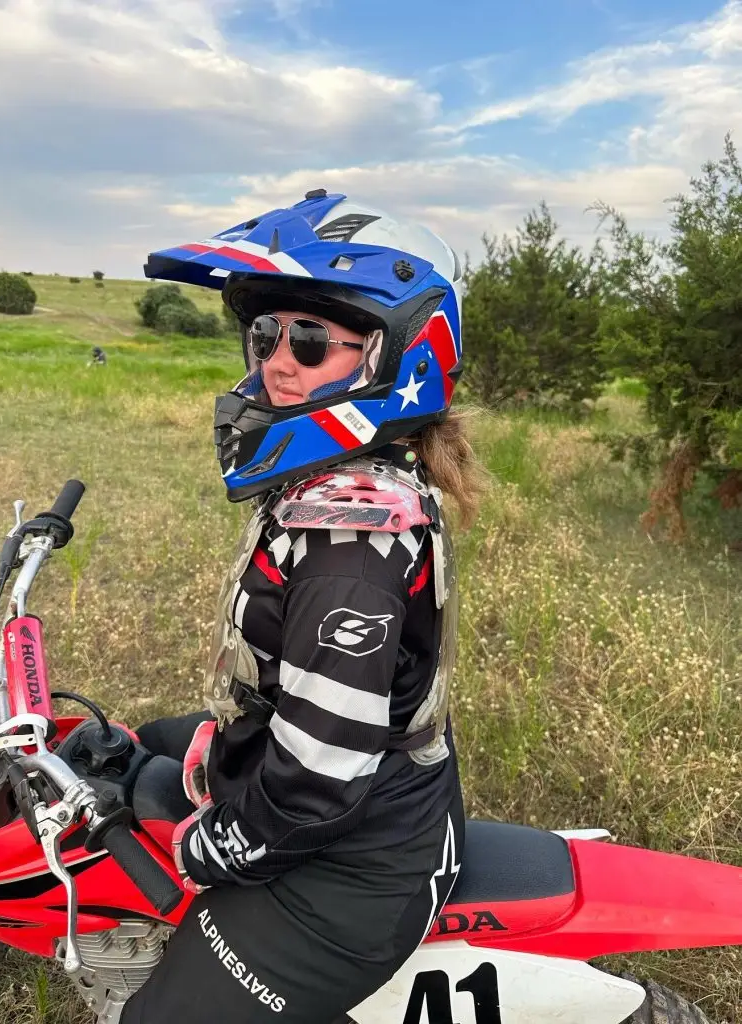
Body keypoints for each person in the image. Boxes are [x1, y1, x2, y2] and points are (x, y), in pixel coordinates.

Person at [123, 192, 487, 1023]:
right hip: (366, 784)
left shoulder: (350, 539)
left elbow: (320, 774)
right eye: (266, 336)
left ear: (393, 358)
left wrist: (211, 849)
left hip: (357, 864)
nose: (276, 364)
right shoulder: (334, 490)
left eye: (312, 340)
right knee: (139, 745)